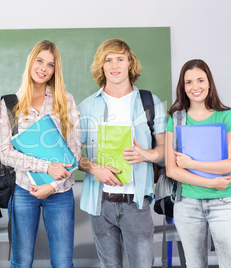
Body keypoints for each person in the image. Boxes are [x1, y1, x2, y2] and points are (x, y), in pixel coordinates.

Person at [77, 38, 167, 267]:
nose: (115, 65)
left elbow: (165, 152)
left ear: (130, 64)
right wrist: (93, 168)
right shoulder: (87, 106)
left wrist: (145, 155)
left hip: (136, 203)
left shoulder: (150, 102)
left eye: (120, 59)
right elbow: (72, 154)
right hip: (100, 203)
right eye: (108, 60)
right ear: (102, 66)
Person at [0, 40, 81, 268]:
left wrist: (51, 185)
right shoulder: (9, 104)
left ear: (56, 70)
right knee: (21, 262)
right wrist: (45, 167)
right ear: (30, 61)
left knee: (63, 263)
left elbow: (74, 151)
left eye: (50, 65)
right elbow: (5, 154)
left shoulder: (65, 100)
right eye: (39, 61)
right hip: (24, 190)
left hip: (60, 192)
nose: (43, 68)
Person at [165, 59, 231, 267]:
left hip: (224, 204)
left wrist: (192, 163)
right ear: (183, 88)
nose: (195, 87)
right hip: (187, 204)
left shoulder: (226, 116)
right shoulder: (175, 120)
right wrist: (212, 182)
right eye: (189, 82)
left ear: (209, 83)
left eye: (200, 80)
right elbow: (172, 170)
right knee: (195, 264)